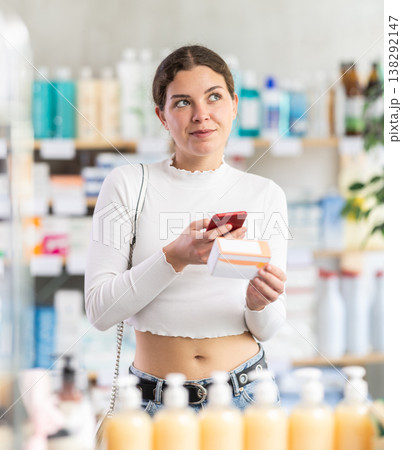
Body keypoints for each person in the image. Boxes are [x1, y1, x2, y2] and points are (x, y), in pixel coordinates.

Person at [85, 45, 288, 415]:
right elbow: (99, 311)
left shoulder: (265, 194)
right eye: (182, 103)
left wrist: (258, 304)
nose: (201, 115)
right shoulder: (129, 185)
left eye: (214, 97)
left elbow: (268, 327)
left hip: (245, 397)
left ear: (235, 105)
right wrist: (174, 257)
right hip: (152, 402)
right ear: (162, 116)